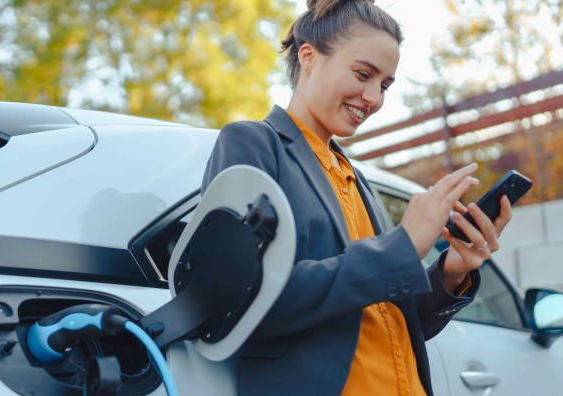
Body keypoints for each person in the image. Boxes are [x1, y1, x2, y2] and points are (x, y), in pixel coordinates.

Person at [200, 0, 513, 395]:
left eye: (384, 85)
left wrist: (450, 273)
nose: (374, 98)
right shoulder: (253, 144)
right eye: (363, 74)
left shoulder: (357, 179)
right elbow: (241, 301)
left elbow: (390, 319)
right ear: (309, 57)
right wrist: (401, 248)